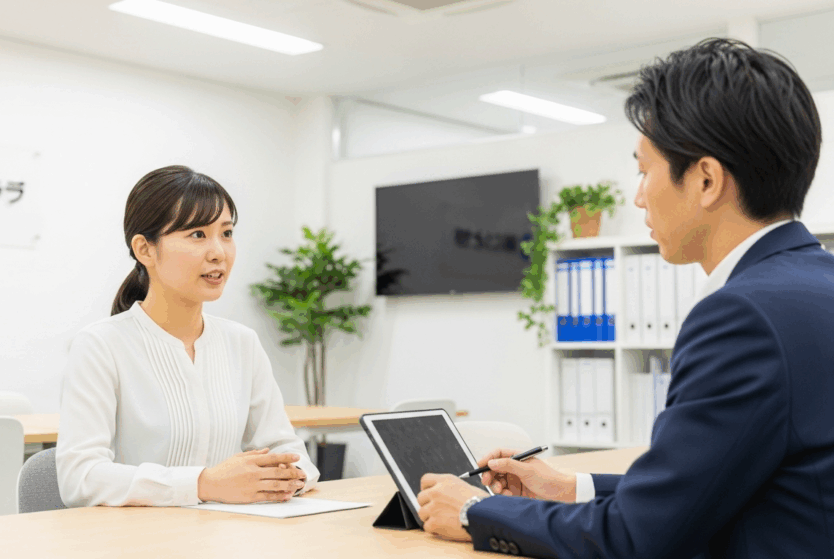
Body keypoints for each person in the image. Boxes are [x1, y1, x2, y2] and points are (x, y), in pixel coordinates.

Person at [415, 38, 832, 558]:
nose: (638, 196)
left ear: (705, 179)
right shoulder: (816, 286)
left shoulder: (742, 316)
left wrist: (473, 509)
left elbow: (640, 537)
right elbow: (715, 491)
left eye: (643, 170)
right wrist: (571, 489)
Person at [57, 165, 320, 507]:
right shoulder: (101, 345)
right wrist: (203, 484)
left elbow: (288, 450)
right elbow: (80, 477)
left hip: (232, 537)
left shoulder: (242, 342)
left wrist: (287, 478)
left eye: (226, 233)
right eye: (197, 234)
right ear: (145, 250)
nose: (219, 252)